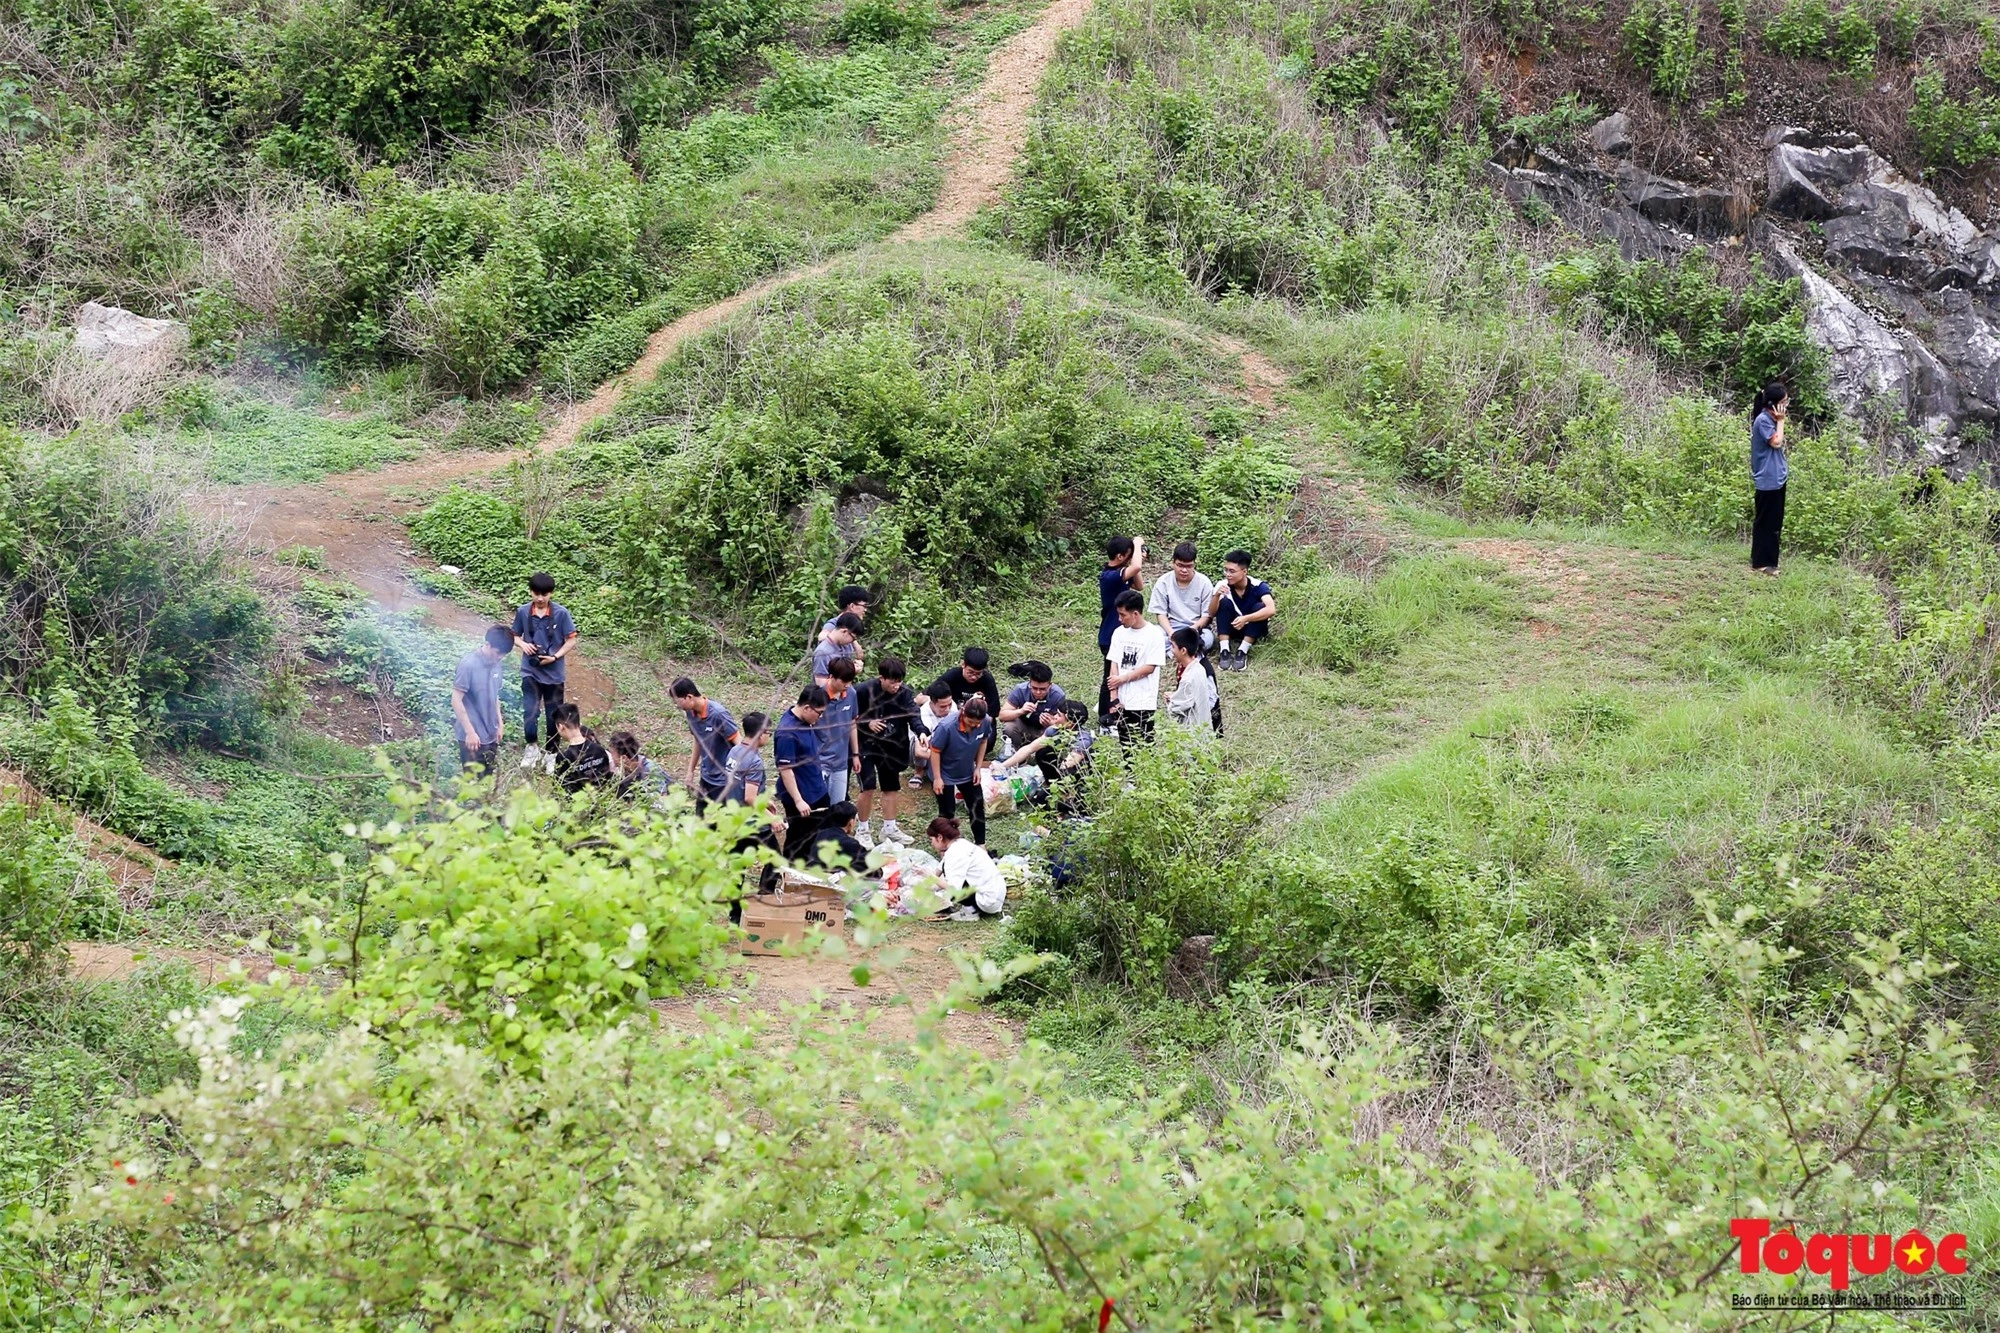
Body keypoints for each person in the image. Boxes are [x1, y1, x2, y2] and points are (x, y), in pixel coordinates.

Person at [511, 572, 578, 767]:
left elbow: (571, 639)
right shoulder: (523, 612)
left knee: (554, 714)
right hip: (530, 671)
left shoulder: (561, 614)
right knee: (530, 711)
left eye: (545, 594)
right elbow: (514, 635)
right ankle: (531, 747)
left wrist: (555, 656)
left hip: (554, 673)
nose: (540, 599)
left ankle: (551, 752)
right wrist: (523, 645)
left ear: (551, 594)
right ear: (531, 592)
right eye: (536, 593)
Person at [855, 656, 919, 847]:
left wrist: (922, 731)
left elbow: (913, 714)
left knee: (891, 786)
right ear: (881, 678)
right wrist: (867, 723)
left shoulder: (905, 693)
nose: (896, 685)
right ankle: (863, 829)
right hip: (865, 745)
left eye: (899, 681)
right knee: (867, 787)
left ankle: (889, 829)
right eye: (892, 681)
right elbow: (848, 717)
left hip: (891, 745)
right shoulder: (862, 691)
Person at [774, 686, 831, 859]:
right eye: (819, 713)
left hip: (816, 789)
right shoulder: (787, 733)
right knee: (798, 842)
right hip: (801, 797)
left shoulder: (805, 720)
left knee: (816, 838)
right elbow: (785, 769)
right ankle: (791, 878)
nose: (820, 718)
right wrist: (799, 801)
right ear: (807, 708)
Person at [929, 695, 993, 847]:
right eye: (971, 722)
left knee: (976, 806)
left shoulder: (985, 722)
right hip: (945, 773)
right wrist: (937, 778)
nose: (974, 726)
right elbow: (935, 751)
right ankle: (945, 846)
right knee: (947, 813)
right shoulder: (946, 727)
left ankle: (980, 844)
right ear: (963, 712)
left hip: (968, 771)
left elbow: (983, 741)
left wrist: (978, 768)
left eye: (978, 723)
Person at [1105, 588, 1166, 744]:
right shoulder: (1119, 633)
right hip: (1121, 701)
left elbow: (1149, 668)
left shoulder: (1154, 634)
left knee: (1144, 746)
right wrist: (1114, 697)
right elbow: (1114, 662)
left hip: (1143, 701)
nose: (1120, 619)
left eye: (1123, 615)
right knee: (1126, 745)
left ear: (1136, 614)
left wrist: (1122, 679)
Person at [451, 625, 514, 772]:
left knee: (487, 781)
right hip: (473, 737)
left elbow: (495, 695)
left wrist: (500, 723)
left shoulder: (497, 664)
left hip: (491, 734)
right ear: (487, 644)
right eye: (498, 653)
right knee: (473, 784)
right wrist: (470, 732)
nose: (500, 657)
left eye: (503, 655)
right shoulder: (468, 664)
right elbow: (456, 699)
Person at [1097, 536, 1146, 723]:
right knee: (1110, 678)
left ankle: (1116, 711)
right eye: (1129, 555)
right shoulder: (1110, 576)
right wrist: (1138, 543)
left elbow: (1139, 585)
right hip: (1110, 635)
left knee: (1122, 674)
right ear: (1119, 556)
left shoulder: (1120, 572)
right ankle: (1105, 715)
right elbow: (1136, 567)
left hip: (1121, 634)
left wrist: (1136, 558)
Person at [670, 677, 739, 805]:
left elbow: (739, 745)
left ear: (689, 697)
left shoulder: (718, 714)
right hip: (707, 777)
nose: (677, 706)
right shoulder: (691, 714)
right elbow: (698, 740)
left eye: (678, 702)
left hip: (724, 781)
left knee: (721, 822)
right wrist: (690, 771)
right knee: (702, 820)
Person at [928, 817, 1007, 921]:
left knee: (950, 881)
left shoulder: (954, 853)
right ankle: (971, 908)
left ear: (939, 837)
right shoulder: (960, 843)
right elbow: (941, 867)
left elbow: (953, 888)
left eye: (932, 839)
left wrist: (930, 877)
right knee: (948, 872)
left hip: (988, 901)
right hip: (996, 894)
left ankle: (970, 912)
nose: (931, 843)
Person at [1209, 549, 1276, 671]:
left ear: (1244, 571)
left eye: (1232, 571)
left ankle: (1242, 651)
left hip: (1253, 629)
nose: (1227, 574)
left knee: (1260, 607)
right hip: (1233, 628)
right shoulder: (1223, 585)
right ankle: (1224, 650)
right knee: (1224, 602)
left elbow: (1271, 609)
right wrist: (1216, 596)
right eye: (1226, 570)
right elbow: (1212, 613)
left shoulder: (1258, 586)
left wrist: (1246, 618)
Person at [1750, 380, 1791, 573]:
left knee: (1774, 521)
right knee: (1766, 522)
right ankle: (1761, 563)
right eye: (1784, 401)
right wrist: (1781, 421)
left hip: (1777, 477)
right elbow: (1776, 442)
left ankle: (1768, 561)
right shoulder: (1764, 420)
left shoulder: (1770, 418)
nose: (1787, 405)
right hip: (1768, 478)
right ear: (1775, 404)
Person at [1149, 542, 1217, 652]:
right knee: (1153, 634)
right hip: (1171, 628)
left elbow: (1207, 616)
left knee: (1208, 639)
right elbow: (1160, 613)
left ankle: (1174, 650)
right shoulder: (1163, 581)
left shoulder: (1204, 583)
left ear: (1194, 564)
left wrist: (1191, 631)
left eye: (1188, 566)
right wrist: (1171, 633)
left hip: (1195, 629)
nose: (1184, 570)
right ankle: (1183, 650)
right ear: (1173, 563)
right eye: (1180, 565)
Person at [817, 656, 861, 805]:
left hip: (841, 763)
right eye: (844, 681)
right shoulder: (817, 696)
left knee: (838, 807)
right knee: (819, 808)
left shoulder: (852, 694)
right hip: (819, 762)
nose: (848, 685)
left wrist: (855, 754)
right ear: (831, 677)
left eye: (850, 681)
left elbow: (852, 723)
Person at [999, 660, 1067, 753]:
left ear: (1050, 685)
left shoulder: (1058, 695)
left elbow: (1064, 724)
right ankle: (1014, 751)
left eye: (1043, 689)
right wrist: (1021, 711)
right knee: (1009, 727)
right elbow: (1002, 716)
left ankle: (1041, 755)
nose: (1038, 692)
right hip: (1023, 724)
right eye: (1034, 688)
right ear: (1029, 683)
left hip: (1044, 729)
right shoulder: (1020, 690)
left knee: (1056, 733)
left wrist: (1050, 721)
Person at [550, 703, 612, 794]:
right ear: (579, 723)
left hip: (576, 805)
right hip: (601, 801)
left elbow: (560, 789)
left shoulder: (564, 757)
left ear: (561, 727)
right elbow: (607, 779)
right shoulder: (599, 749)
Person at [1167, 628, 1218, 734]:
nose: (1171, 650)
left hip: (1191, 731)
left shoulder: (1189, 677)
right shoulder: (1199, 668)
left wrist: (1171, 700)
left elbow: (1178, 707)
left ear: (1183, 650)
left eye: (1173, 646)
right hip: (1201, 729)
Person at [932, 647, 1001, 720]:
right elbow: (926, 696)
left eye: (978, 674)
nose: (974, 677)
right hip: (953, 719)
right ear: (963, 664)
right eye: (970, 672)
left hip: (978, 720)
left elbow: (993, 712)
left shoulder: (987, 680)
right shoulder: (951, 676)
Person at [802, 801, 870, 875]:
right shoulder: (850, 844)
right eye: (856, 820)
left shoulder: (820, 834)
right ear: (851, 822)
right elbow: (875, 871)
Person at [815, 585, 872, 668]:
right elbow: (821, 636)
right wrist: (854, 643)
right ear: (852, 606)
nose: (865, 610)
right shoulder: (834, 624)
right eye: (864, 606)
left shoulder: (851, 626)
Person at [721, 712, 770, 806]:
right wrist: (772, 818)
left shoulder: (734, 751)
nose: (769, 737)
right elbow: (750, 799)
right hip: (748, 816)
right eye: (769, 733)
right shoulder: (755, 761)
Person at [607, 731, 672, 801]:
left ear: (624, 758)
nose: (611, 757)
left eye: (612, 754)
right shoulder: (624, 771)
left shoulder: (650, 768)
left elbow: (663, 797)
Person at [812, 613, 864, 685]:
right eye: (853, 639)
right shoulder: (823, 652)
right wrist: (850, 671)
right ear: (844, 632)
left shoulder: (846, 647)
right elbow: (821, 685)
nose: (852, 642)